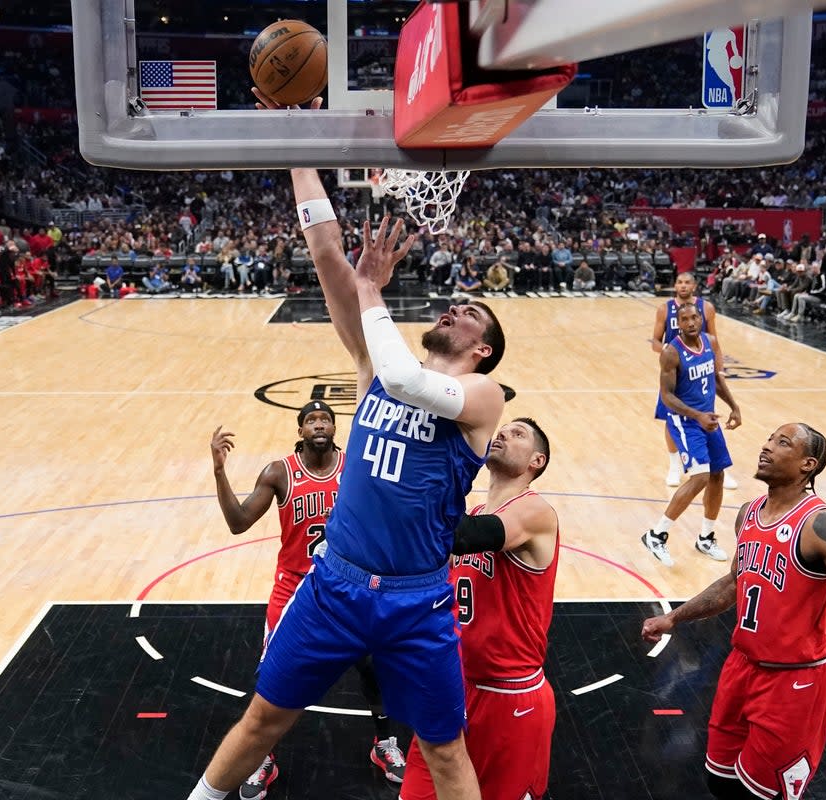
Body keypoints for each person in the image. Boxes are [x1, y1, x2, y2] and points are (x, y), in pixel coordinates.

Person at [187, 90, 506, 800]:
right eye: (453, 303)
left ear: (482, 348)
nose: (451, 307)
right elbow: (327, 251)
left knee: (445, 753)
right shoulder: (377, 369)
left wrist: (372, 290)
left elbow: (400, 369)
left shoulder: (484, 399)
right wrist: (297, 137)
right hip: (333, 585)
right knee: (264, 717)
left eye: (466, 313)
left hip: (416, 599)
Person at [642, 423, 826, 799]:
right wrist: (676, 616)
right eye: (769, 439)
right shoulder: (749, 513)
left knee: (762, 796)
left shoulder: (822, 526)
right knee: (720, 783)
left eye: (782, 443)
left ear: (807, 465)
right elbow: (735, 582)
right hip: (741, 669)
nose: (766, 447)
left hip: (794, 683)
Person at [208, 402, 408, 799]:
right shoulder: (279, 472)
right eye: (311, 421)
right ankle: (262, 756)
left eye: (325, 420)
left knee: (373, 669)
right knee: (273, 677)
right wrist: (219, 471)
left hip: (346, 587)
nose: (319, 425)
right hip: (294, 589)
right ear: (300, 430)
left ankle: (384, 744)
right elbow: (238, 522)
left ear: (335, 428)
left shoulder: (355, 468)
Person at [401, 418, 559, 800]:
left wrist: (427, 463)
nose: (502, 433)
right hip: (450, 686)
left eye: (517, 433)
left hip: (509, 696)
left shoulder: (535, 512)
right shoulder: (471, 511)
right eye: (502, 429)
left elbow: (462, 537)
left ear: (536, 461)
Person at [641, 302, 741, 566]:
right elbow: (667, 396)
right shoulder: (672, 353)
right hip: (685, 422)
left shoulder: (709, 342)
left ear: (701, 318)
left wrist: (734, 406)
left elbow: (716, 378)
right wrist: (696, 415)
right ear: (678, 323)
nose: (691, 323)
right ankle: (656, 534)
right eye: (685, 319)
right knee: (701, 477)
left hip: (708, 419)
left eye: (695, 317)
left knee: (717, 475)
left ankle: (706, 537)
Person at [651, 272, 733, 488]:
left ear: (695, 286)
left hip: (700, 371)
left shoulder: (706, 308)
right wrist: (668, 350)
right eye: (680, 282)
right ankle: (674, 465)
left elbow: (715, 342)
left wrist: (719, 370)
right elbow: (655, 342)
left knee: (708, 417)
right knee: (672, 419)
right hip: (676, 370)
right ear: (675, 285)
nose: (683, 286)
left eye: (687, 282)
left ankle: (717, 468)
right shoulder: (664, 309)